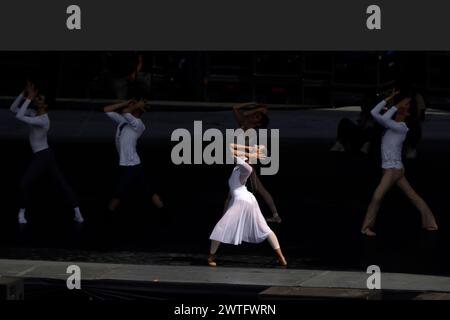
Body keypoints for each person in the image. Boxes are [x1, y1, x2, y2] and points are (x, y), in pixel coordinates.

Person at [360, 90, 438, 236]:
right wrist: (390, 99)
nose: (403, 109)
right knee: (413, 195)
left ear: (407, 115)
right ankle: (431, 223)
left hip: (392, 171)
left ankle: (366, 227)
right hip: (395, 169)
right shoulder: (390, 125)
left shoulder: (401, 128)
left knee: (377, 196)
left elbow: (381, 117)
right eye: (403, 107)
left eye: (406, 108)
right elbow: (375, 113)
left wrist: (396, 105)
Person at [10, 81, 84, 224]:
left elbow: (18, 117)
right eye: (37, 97)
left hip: (43, 155)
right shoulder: (33, 113)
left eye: (40, 99)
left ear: (45, 105)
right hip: (46, 154)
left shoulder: (43, 120)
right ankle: (78, 213)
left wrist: (29, 98)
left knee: (24, 183)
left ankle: (21, 214)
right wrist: (23, 94)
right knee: (61, 182)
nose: (37, 99)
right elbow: (14, 109)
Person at [208, 144, 287, 267]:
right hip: (246, 200)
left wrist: (251, 154)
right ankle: (281, 258)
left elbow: (233, 153)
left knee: (220, 228)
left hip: (243, 200)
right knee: (265, 229)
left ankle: (211, 257)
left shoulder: (246, 169)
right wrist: (250, 151)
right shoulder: (236, 170)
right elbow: (230, 148)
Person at [103, 97, 164, 213]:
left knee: (119, 193)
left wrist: (136, 105)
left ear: (138, 110)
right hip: (129, 164)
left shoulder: (139, 125)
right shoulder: (123, 120)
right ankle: (162, 208)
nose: (131, 105)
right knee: (148, 190)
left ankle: (108, 214)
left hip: (131, 166)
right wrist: (126, 102)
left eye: (134, 105)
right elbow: (106, 109)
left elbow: (126, 111)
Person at [231, 102, 281, 223]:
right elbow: (235, 107)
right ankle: (274, 215)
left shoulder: (250, 129)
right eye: (256, 114)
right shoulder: (243, 123)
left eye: (257, 116)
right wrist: (252, 104)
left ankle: (274, 216)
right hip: (241, 164)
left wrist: (257, 108)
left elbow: (247, 112)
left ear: (257, 123)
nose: (255, 115)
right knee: (251, 190)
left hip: (246, 165)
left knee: (256, 190)